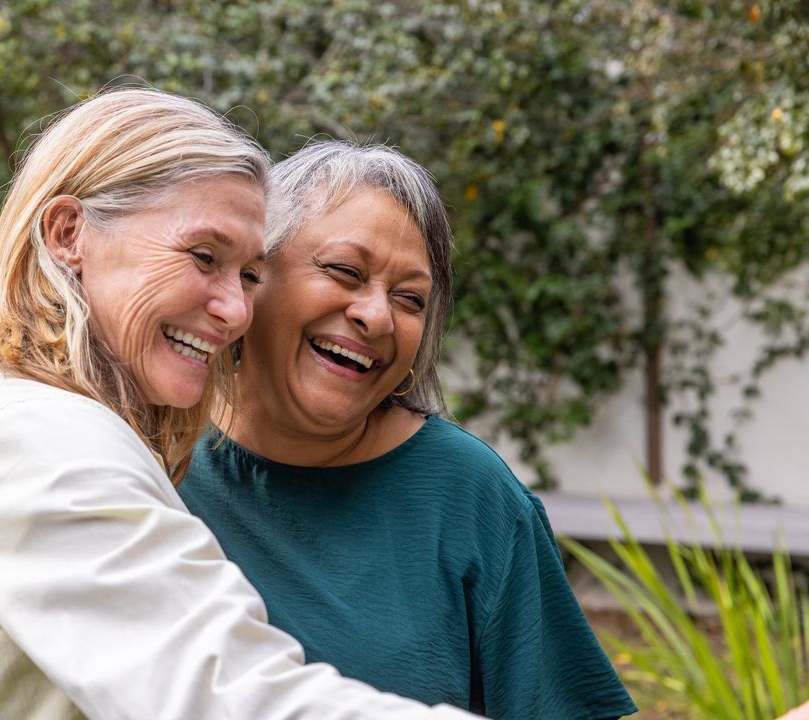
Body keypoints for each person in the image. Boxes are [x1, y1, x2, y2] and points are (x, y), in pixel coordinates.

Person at [0, 86, 482, 719]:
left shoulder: (80, 438)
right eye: (204, 256)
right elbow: (234, 699)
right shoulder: (35, 439)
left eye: (250, 276)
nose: (235, 311)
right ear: (69, 233)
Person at [175, 141, 637, 720]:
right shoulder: (150, 453)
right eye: (345, 271)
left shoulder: (470, 494)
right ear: (252, 274)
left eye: (410, 299)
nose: (377, 316)